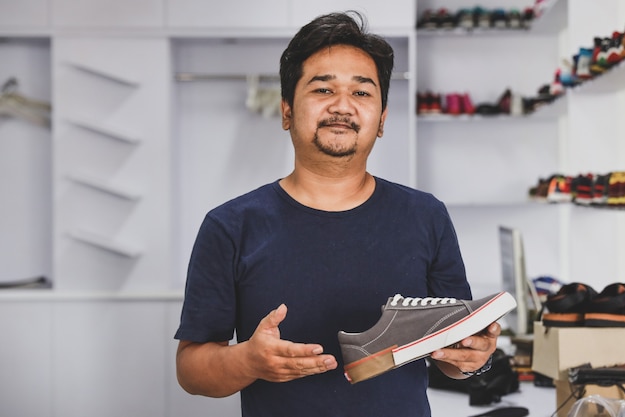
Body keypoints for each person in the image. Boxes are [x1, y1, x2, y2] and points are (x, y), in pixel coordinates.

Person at [175, 10, 500, 417]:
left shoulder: (426, 216)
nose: (342, 106)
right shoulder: (230, 226)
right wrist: (248, 361)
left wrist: (474, 358)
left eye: (362, 93)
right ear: (287, 111)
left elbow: (453, 353)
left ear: (381, 120)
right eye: (322, 90)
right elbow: (190, 370)